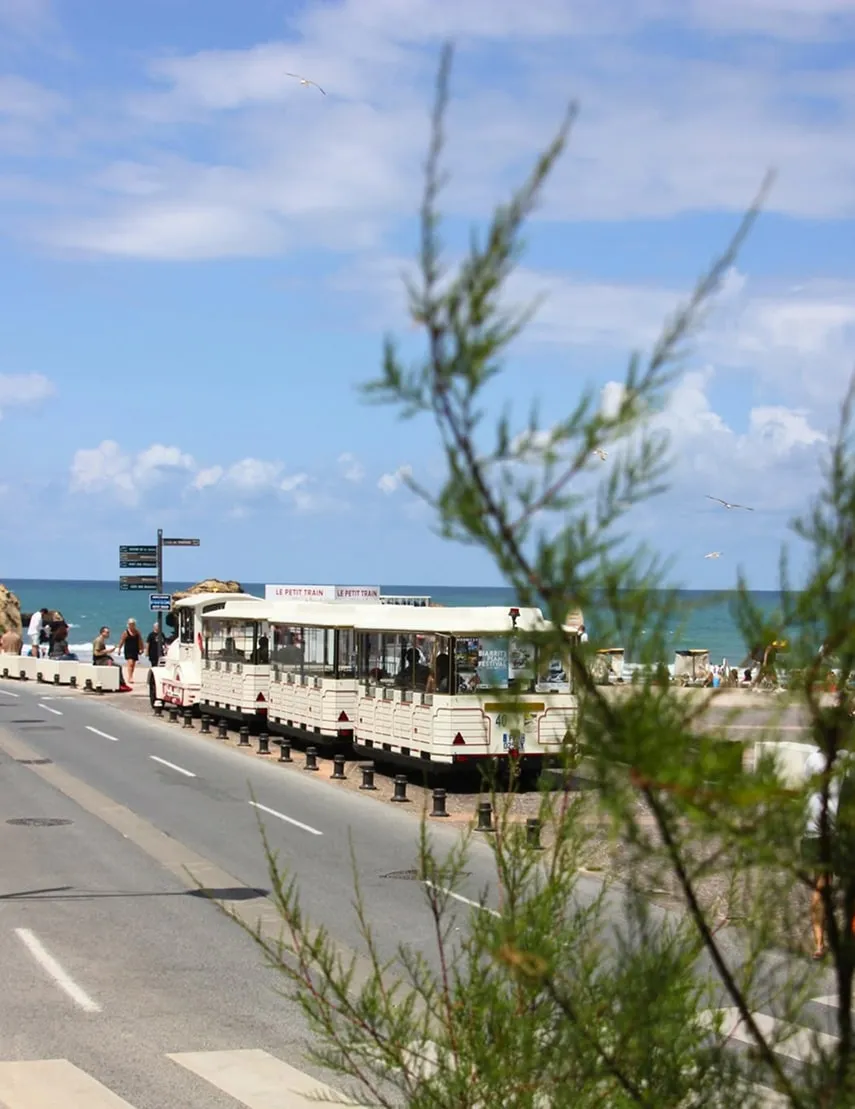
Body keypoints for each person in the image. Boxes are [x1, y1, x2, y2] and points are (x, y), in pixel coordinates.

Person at [92, 626, 131, 692]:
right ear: (102, 633)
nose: (108, 634)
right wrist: (108, 651)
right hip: (99, 661)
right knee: (118, 666)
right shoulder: (99, 640)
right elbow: (96, 653)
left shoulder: (101, 640)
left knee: (114, 663)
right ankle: (121, 684)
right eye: (107, 632)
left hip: (103, 659)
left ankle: (119, 683)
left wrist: (109, 652)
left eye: (108, 632)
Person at [118, 618, 144, 687]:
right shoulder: (126, 632)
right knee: (130, 663)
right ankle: (130, 677)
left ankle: (131, 675)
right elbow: (122, 641)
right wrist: (119, 649)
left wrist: (141, 648)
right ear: (128, 625)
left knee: (133, 664)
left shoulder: (137, 632)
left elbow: (140, 640)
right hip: (128, 650)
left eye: (133, 624)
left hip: (135, 649)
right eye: (130, 624)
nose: (131, 625)